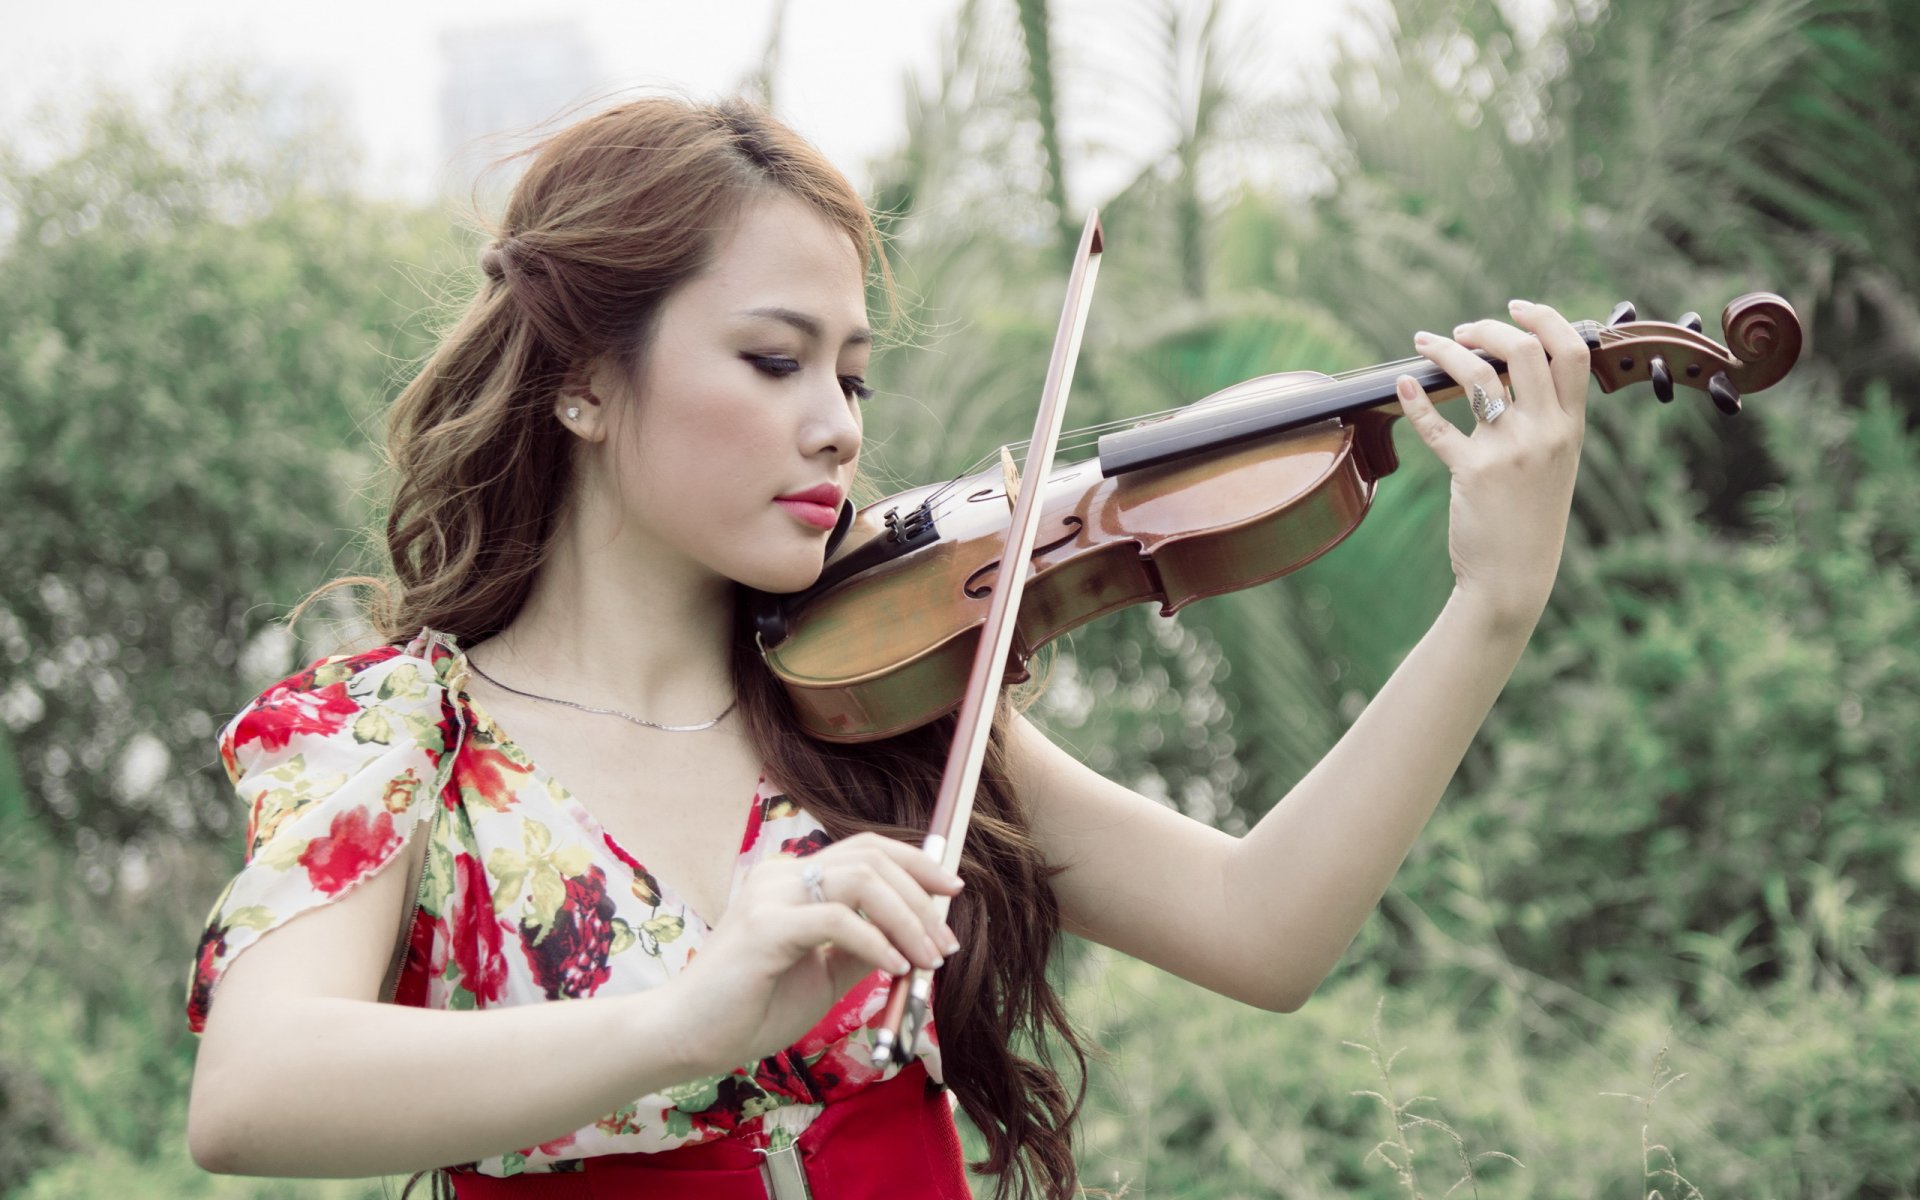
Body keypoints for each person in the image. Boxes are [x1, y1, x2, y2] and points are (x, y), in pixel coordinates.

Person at [182, 95, 1589, 1200]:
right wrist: (689, 1019)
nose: (841, 426)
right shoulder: (400, 738)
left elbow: (1262, 931)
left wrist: (1489, 612)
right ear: (582, 383)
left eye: (852, 373)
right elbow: (253, 1094)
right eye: (775, 360)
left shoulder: (876, 695)